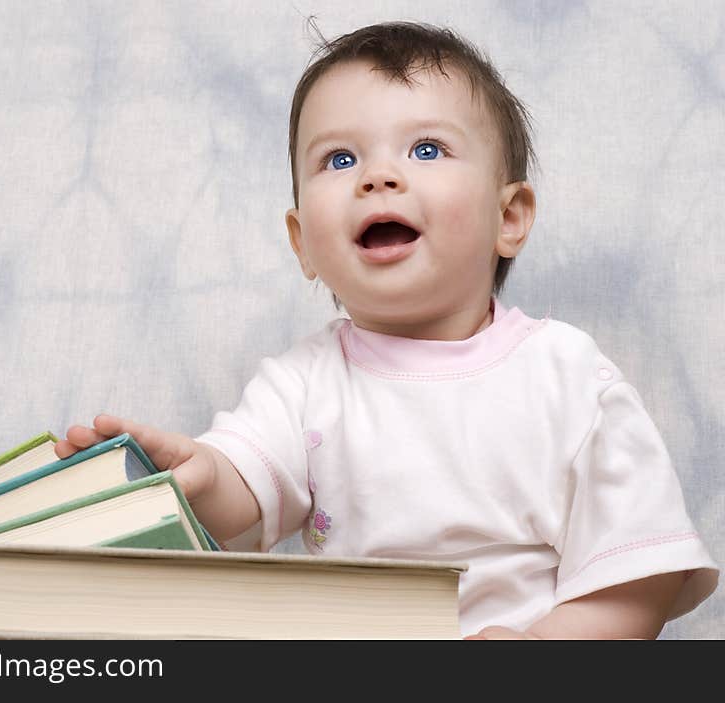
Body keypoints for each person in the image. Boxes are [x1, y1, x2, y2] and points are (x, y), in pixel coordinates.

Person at [54, 21, 718, 639]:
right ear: (303, 244)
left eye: (426, 148)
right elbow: (245, 497)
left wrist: (542, 647)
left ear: (508, 216)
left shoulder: (568, 376)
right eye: (339, 161)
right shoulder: (303, 384)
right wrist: (197, 476)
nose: (377, 176)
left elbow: (640, 572)